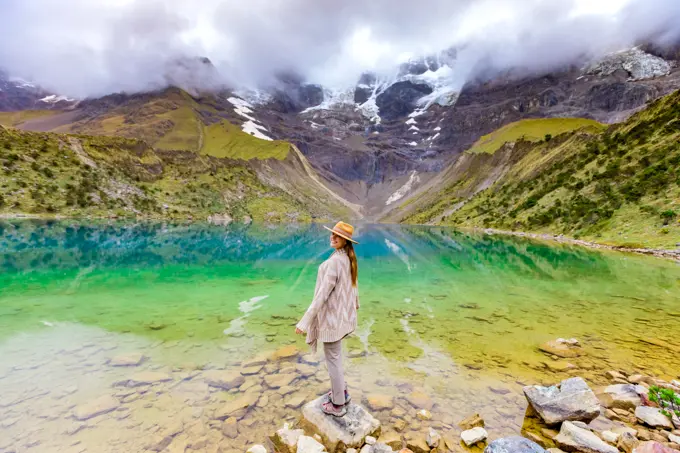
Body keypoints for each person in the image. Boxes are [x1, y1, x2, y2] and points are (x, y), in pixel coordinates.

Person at [295, 221, 360, 417]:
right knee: (336, 358)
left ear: (345, 241)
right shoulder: (347, 259)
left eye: (337, 236)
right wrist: (354, 308)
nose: (332, 237)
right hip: (341, 320)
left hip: (332, 322)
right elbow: (353, 288)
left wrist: (304, 322)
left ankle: (338, 405)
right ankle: (344, 393)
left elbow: (321, 296)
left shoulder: (334, 262)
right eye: (332, 234)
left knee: (333, 362)